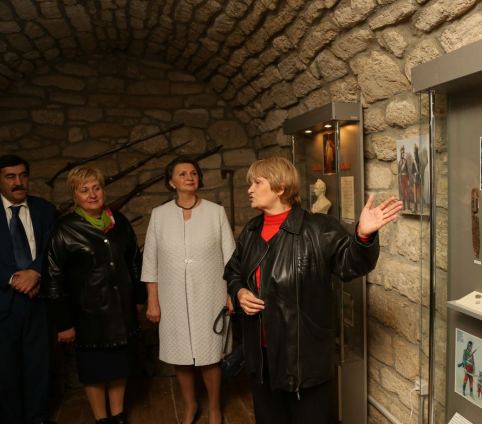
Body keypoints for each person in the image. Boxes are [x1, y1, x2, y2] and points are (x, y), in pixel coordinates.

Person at [224, 157, 401, 424]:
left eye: (257, 183)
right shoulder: (251, 232)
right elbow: (233, 272)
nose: (249, 189)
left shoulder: (318, 228)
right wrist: (239, 292)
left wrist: (363, 236)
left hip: (304, 362)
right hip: (261, 360)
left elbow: (350, 265)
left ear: (280, 187)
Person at [41, 166, 145, 424]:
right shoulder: (64, 229)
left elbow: (135, 262)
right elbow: (53, 280)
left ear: (103, 190)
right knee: (95, 371)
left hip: (120, 310)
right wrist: (63, 323)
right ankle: (102, 419)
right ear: (74, 196)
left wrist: (139, 297)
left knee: (119, 366)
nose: (92, 195)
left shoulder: (119, 222)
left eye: (96, 188)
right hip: (88, 315)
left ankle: (118, 415)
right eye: (84, 190)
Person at [142, 157, 235, 424]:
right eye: (182, 174)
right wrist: (152, 301)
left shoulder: (216, 213)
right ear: (171, 182)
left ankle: (214, 407)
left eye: (193, 173)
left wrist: (232, 293)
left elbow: (231, 259)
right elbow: (150, 261)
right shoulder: (159, 215)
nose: (189, 177)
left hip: (210, 295)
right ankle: (190, 405)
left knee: (210, 355)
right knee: (180, 354)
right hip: (171, 297)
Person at [0, 155, 56, 424]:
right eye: (10, 177)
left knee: (38, 365)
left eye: (23, 175)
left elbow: (54, 248)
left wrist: (35, 272)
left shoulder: (45, 209)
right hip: (4, 302)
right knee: (5, 369)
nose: (18, 182)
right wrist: (13, 278)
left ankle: (37, 419)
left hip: (38, 300)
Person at [398, 145, 411, 211]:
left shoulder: (405, 161)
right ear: (400, 154)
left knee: (408, 191)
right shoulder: (399, 162)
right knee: (403, 192)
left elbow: (407, 171)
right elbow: (398, 171)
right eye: (402, 153)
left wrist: (408, 179)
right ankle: (403, 207)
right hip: (402, 178)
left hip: (406, 177)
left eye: (404, 153)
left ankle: (408, 207)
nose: (403, 154)